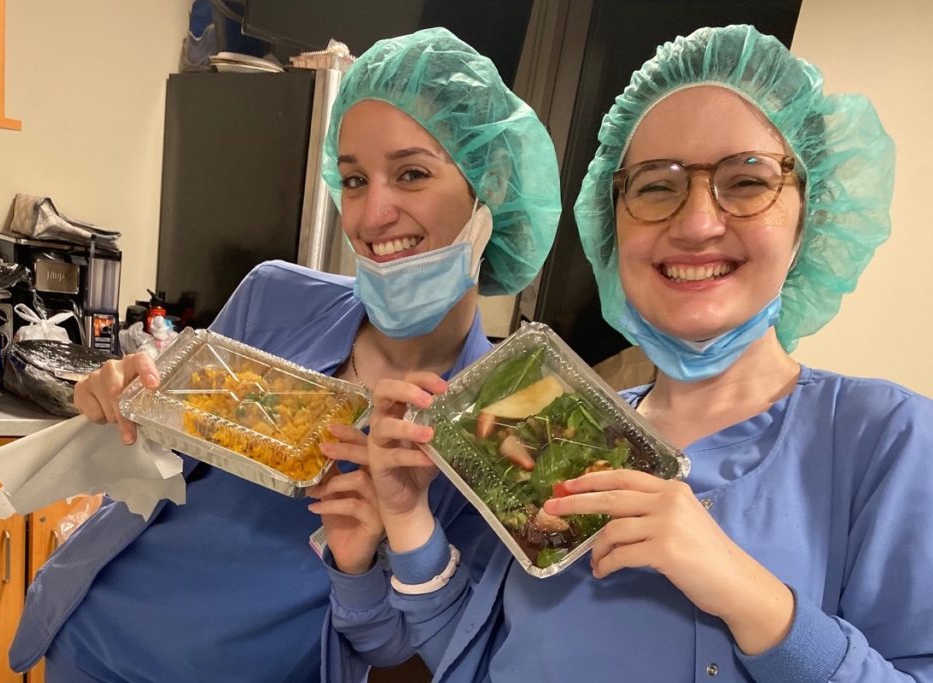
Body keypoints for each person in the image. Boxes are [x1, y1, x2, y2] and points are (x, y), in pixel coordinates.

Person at [340, 24, 933, 682]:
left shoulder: (888, 442)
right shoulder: (556, 423)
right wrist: (409, 519)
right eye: (655, 186)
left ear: (808, 216)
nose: (697, 223)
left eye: (746, 181)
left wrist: (749, 597)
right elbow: (477, 653)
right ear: (612, 224)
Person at [8, 27, 560, 682]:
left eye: (411, 173)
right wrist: (123, 406)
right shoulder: (276, 297)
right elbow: (163, 468)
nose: (371, 215)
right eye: (354, 179)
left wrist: (364, 559)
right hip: (92, 642)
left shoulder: (504, 427)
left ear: (489, 186)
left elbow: (408, 649)